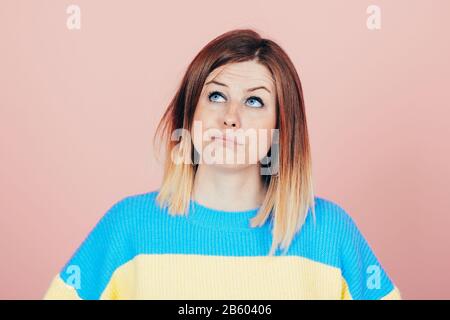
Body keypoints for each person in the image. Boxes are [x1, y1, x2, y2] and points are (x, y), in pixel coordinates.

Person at [44, 29, 401, 300]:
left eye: (255, 102)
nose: (231, 117)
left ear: (283, 130)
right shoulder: (127, 228)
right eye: (216, 95)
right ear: (190, 113)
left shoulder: (329, 233)